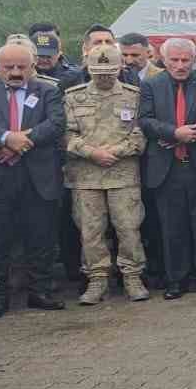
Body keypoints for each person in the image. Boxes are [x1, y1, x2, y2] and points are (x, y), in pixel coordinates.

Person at [0, 40, 67, 312]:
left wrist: (19, 144)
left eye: (22, 66)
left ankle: (40, 291)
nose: (16, 72)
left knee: (41, 238)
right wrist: (7, 138)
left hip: (38, 178)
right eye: (9, 67)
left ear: (33, 66)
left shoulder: (48, 90)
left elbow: (55, 124)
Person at [137, 38, 196, 299]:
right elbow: (145, 120)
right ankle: (176, 280)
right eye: (175, 60)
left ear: (194, 60)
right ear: (164, 60)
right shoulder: (151, 84)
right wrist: (174, 133)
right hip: (167, 166)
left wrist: (194, 131)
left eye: (186, 60)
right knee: (172, 227)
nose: (181, 65)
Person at [64, 45, 148, 304]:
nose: (103, 78)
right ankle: (97, 278)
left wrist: (118, 150)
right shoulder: (73, 97)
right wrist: (90, 152)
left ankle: (132, 276)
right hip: (86, 176)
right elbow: (66, 134)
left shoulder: (133, 96)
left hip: (123, 174)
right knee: (90, 231)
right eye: (98, 72)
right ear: (87, 68)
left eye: (109, 72)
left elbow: (141, 132)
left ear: (120, 68)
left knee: (128, 227)